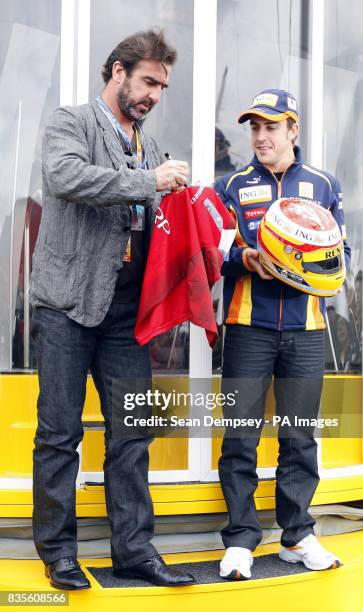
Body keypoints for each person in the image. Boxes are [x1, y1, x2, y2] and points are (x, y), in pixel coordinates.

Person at [30, 29, 195, 590]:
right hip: (67, 306)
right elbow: (66, 177)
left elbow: (150, 222)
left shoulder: (149, 144)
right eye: (148, 81)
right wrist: (149, 182)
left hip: (128, 315)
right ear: (118, 72)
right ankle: (58, 553)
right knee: (59, 434)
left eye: (162, 87)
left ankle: (134, 552)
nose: (153, 95)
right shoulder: (70, 122)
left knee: (133, 434)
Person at [214, 89, 351, 580]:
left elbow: (341, 257)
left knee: (299, 438)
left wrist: (319, 272)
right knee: (240, 438)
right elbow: (213, 253)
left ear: (293, 130)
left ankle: (296, 535)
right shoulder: (229, 186)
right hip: (247, 328)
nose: (261, 136)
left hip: (308, 330)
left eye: (271, 127)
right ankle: (241, 540)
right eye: (254, 128)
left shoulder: (323, 185)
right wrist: (245, 259)